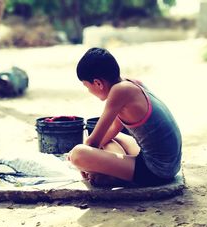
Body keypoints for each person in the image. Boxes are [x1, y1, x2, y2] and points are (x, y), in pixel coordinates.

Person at [68, 47, 182, 187]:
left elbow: (92, 143)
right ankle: (115, 173)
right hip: (170, 165)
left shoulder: (119, 91)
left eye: (86, 86)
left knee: (78, 154)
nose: (88, 91)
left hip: (156, 171)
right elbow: (114, 129)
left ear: (98, 83)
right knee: (111, 138)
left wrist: (80, 160)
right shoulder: (131, 84)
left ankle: (114, 178)